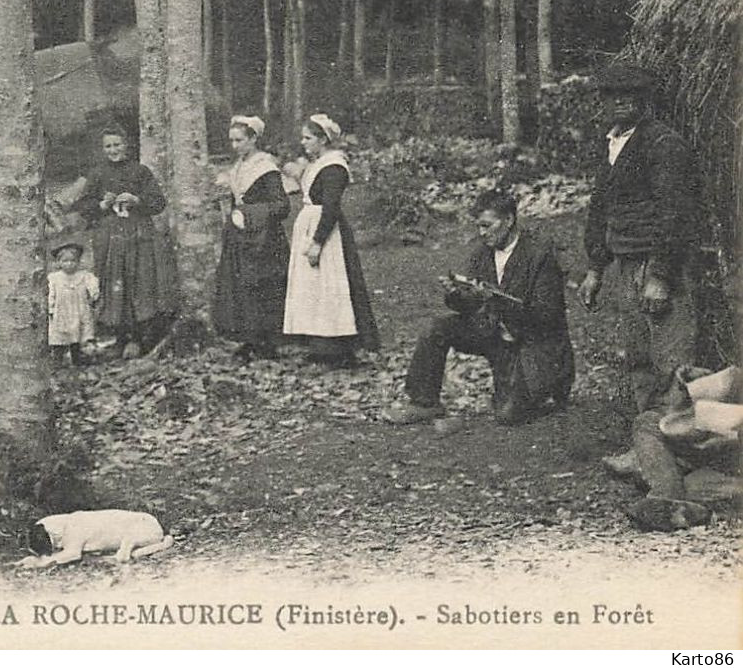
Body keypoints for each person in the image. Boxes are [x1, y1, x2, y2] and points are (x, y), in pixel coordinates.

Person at [579, 63, 701, 463]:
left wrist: (661, 276)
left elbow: (675, 213)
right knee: (640, 359)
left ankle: (679, 453)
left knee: (672, 362)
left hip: (657, 265)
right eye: (613, 95)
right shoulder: (612, 145)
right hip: (626, 265)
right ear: (603, 102)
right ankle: (649, 447)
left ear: (644, 100)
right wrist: (596, 268)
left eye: (630, 94)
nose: (622, 101)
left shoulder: (663, 144)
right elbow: (601, 210)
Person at [383, 190, 574, 426]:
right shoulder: (482, 253)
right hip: (494, 332)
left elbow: (547, 315)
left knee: (507, 416)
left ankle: (546, 394)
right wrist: (457, 294)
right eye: (479, 227)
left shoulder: (538, 255)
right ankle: (424, 403)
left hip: (532, 344)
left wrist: (494, 299)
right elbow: (471, 307)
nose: (482, 233)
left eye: (487, 225)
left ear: (508, 220)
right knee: (438, 327)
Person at [281, 113, 379, 366]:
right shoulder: (319, 163)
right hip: (311, 223)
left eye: (308, 138)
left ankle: (338, 347)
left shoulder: (334, 166)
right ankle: (319, 344)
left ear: (323, 139)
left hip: (327, 232)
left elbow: (331, 207)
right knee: (313, 288)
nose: (304, 143)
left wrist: (317, 242)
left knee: (331, 287)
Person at [71, 125, 176, 358]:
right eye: (108, 146)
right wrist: (102, 205)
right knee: (113, 283)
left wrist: (136, 199)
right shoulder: (97, 174)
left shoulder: (140, 172)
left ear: (127, 145)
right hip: (109, 238)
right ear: (102, 149)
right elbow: (83, 208)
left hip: (138, 235)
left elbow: (158, 202)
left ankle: (139, 338)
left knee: (138, 282)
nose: (113, 150)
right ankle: (119, 337)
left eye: (117, 144)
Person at [619, 366, 741, 532]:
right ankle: (667, 496)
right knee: (648, 423)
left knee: (694, 488)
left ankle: (682, 505)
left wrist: (732, 436)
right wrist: (691, 384)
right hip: (720, 438)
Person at [212, 115, 291, 361]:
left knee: (264, 286)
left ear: (253, 139)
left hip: (264, 238)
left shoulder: (265, 168)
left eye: (239, 140)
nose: (234, 146)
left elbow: (282, 206)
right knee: (241, 286)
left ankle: (268, 341)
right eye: (232, 141)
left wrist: (248, 213)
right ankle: (248, 338)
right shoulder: (238, 168)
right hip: (240, 236)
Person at [46, 241, 99, 367]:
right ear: (59, 262)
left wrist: (93, 294)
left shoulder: (84, 276)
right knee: (60, 335)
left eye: (73, 261)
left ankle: (78, 358)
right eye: (65, 261)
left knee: (79, 334)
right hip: (62, 311)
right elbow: (50, 293)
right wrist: (51, 307)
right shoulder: (54, 278)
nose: (69, 264)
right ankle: (58, 359)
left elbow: (93, 286)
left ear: (78, 262)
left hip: (79, 309)